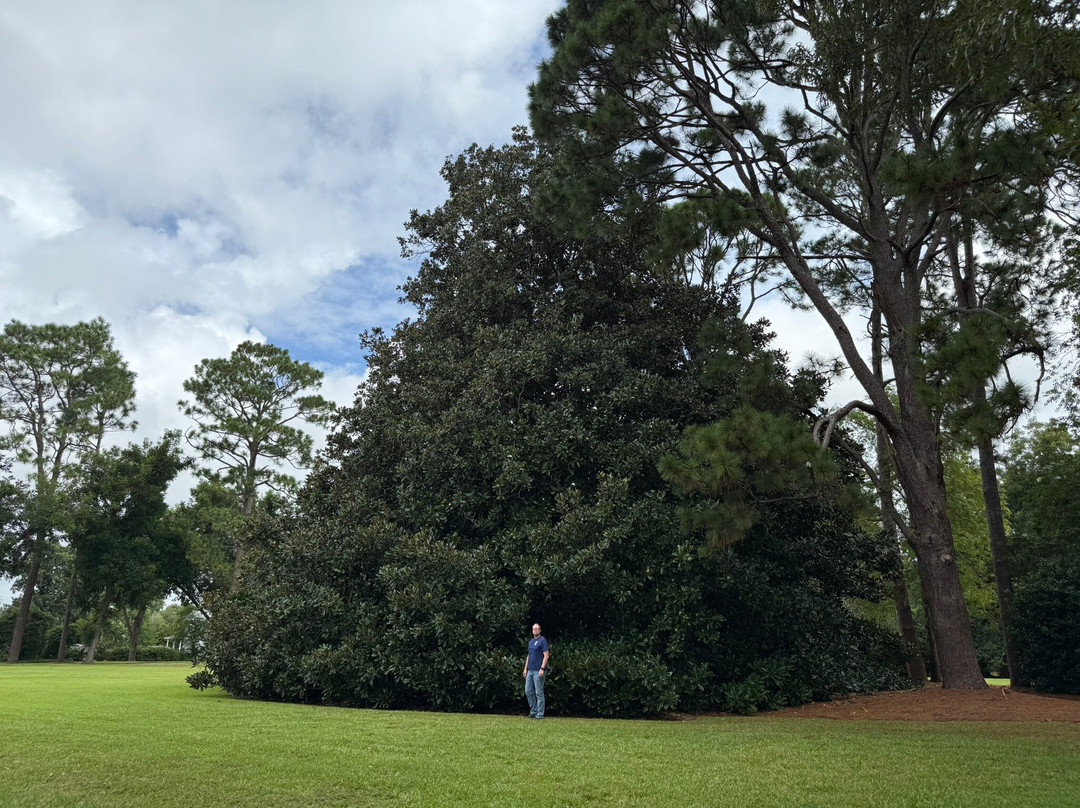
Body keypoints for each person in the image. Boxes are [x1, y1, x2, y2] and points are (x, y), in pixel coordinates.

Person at [523, 622, 549, 719]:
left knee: (539, 692)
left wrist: (542, 668)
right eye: (534, 629)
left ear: (540, 630)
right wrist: (525, 668)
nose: (535, 630)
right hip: (530, 670)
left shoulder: (543, 641)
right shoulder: (531, 642)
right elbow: (529, 655)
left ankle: (540, 714)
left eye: (537, 629)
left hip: (538, 670)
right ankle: (533, 711)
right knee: (528, 691)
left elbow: (546, 655)